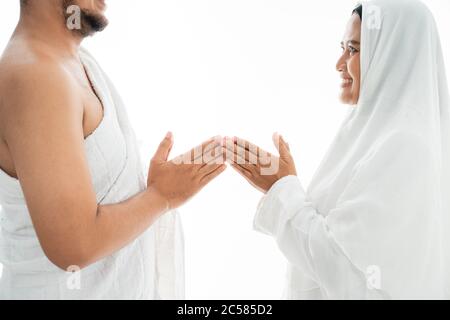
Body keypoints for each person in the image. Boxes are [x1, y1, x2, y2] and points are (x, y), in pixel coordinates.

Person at [0, 0, 226, 299]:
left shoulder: (74, 61)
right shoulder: (35, 77)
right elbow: (74, 246)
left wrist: (150, 187)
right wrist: (161, 196)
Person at [225, 0, 450, 299]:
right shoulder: (371, 135)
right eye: (342, 47)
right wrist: (282, 186)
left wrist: (283, 188)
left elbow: (345, 269)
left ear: (393, 55)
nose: (339, 63)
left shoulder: (404, 146)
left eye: (354, 49)